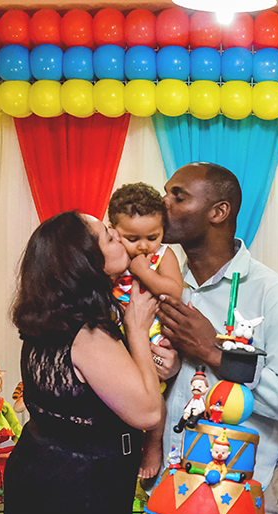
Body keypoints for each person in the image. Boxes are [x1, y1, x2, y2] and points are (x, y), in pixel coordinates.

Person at [0, 211, 163, 514]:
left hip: (43, 467)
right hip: (79, 489)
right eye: (108, 236)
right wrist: (139, 331)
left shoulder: (48, 318)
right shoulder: (87, 333)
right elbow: (147, 409)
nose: (120, 240)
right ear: (83, 261)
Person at [151, 162, 278, 514]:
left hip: (245, 504)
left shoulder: (273, 294)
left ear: (219, 212)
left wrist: (216, 355)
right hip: (169, 498)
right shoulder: (162, 289)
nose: (163, 204)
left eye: (178, 195)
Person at [107, 182, 184, 483]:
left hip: (152, 331)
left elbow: (174, 290)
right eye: (132, 238)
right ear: (113, 230)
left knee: (154, 392)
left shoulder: (161, 256)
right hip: (117, 331)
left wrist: (143, 271)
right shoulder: (112, 254)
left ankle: (154, 444)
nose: (143, 246)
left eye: (153, 236)